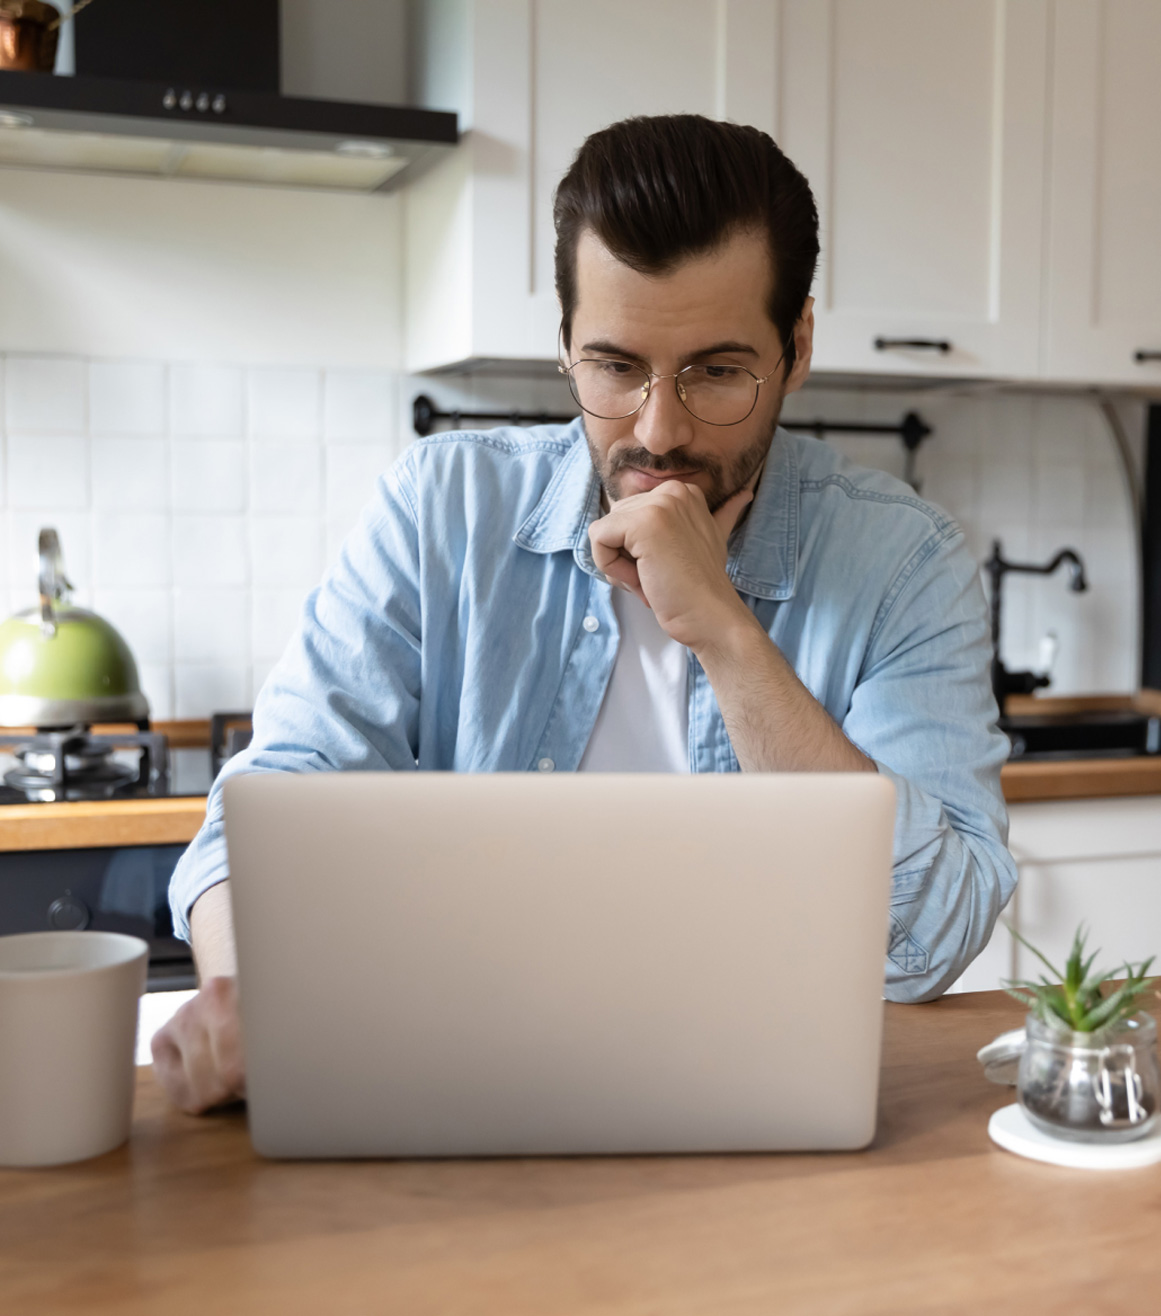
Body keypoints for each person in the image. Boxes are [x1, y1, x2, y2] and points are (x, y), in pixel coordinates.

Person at [153, 114, 1016, 1114]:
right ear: (562, 343)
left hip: (762, 1122)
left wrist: (729, 635)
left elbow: (930, 939)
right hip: (459, 1104)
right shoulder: (441, 507)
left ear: (798, 345)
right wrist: (244, 993)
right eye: (614, 366)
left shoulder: (907, 561)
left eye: (719, 371)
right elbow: (264, 808)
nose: (660, 428)